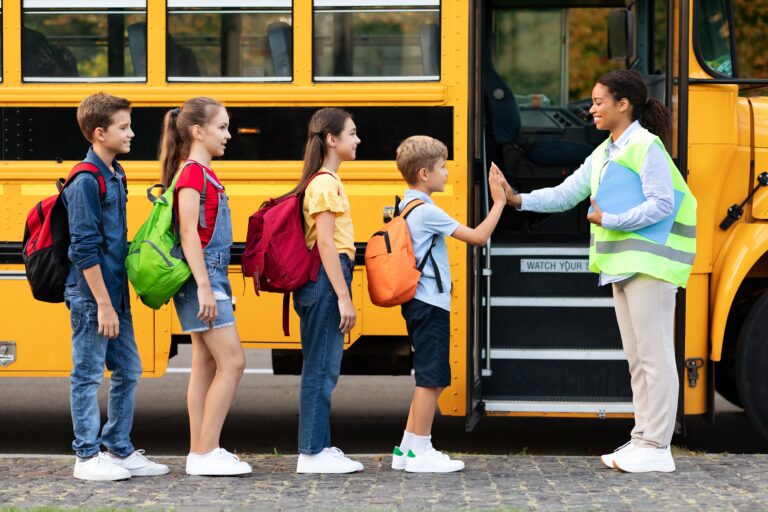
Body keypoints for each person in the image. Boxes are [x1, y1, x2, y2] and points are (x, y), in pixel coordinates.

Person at [502, 70, 697, 473]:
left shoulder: (647, 146)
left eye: (598, 101)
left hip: (650, 264)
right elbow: (566, 194)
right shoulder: (606, 151)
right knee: (638, 358)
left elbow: (663, 205)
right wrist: (516, 199)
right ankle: (643, 438)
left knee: (655, 356)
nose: (591, 109)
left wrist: (611, 218)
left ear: (622, 105)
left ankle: (658, 447)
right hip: (624, 266)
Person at [63, 93, 169, 481]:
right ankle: (87, 457)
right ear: (98, 133)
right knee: (88, 374)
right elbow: (83, 249)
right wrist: (104, 305)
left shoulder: (116, 174)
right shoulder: (86, 181)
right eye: (123, 127)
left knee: (129, 369)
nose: (131, 133)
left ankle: (119, 449)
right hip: (93, 297)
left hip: (114, 294)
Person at [391, 135, 507, 473]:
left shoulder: (407, 205)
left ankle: (407, 447)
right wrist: (499, 202)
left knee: (431, 376)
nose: (447, 173)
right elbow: (478, 237)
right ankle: (421, 451)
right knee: (432, 377)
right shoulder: (426, 211)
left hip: (418, 302)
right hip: (429, 304)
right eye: (443, 167)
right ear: (425, 173)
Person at [158, 97, 251, 476]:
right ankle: (206, 450)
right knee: (234, 362)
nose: (229, 135)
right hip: (206, 277)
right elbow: (187, 233)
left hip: (210, 275)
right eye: (222, 127)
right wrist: (204, 287)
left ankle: (200, 450)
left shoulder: (200, 171)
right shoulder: (193, 172)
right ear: (198, 132)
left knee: (205, 365)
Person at [291, 108, 363, 474]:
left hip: (322, 280)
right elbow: (325, 244)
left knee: (322, 366)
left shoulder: (326, 181)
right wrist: (344, 296)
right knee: (321, 367)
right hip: (325, 280)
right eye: (351, 133)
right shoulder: (324, 184)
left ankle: (319, 445)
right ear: (332, 139)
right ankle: (312, 452)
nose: (358, 139)